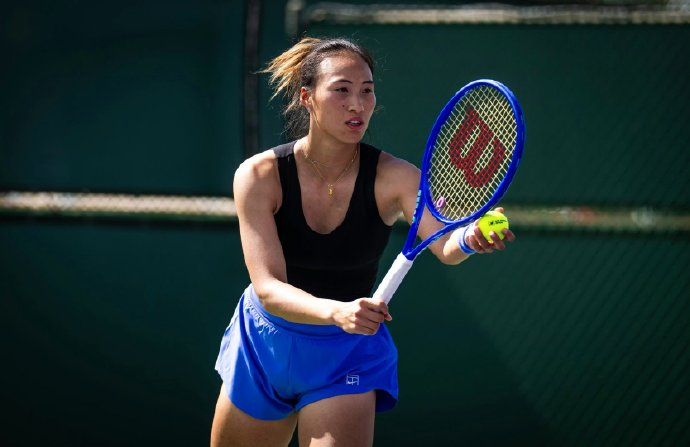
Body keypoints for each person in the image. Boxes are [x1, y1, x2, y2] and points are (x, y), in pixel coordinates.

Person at [210, 37, 515, 447]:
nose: (357, 104)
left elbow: (445, 246)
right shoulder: (258, 175)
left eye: (367, 91)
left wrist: (471, 237)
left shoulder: (396, 177)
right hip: (265, 344)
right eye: (342, 90)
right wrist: (337, 312)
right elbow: (268, 288)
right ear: (307, 97)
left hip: (346, 355)